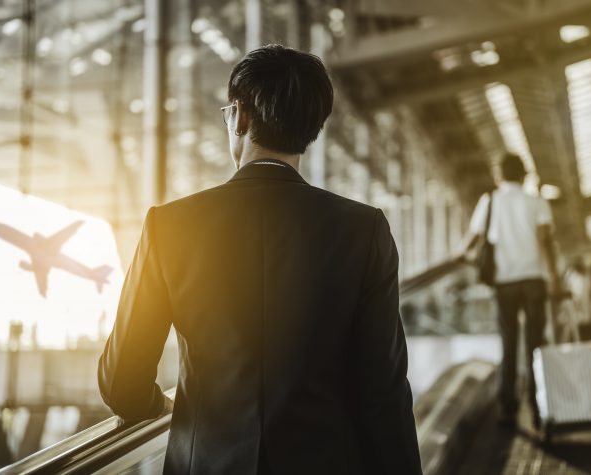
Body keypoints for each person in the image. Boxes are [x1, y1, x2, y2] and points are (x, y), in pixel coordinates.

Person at [97, 45, 421, 475]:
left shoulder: (169, 225)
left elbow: (122, 382)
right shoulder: (363, 229)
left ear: (240, 117)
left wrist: (158, 404)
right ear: (312, 128)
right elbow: (383, 389)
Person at [460, 153, 560, 429]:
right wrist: (553, 276)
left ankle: (508, 407)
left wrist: (463, 255)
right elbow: (544, 241)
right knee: (536, 342)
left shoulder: (490, 201)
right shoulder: (536, 202)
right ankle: (540, 406)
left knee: (509, 341)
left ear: (499, 175)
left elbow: (472, 240)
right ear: (525, 175)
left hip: (504, 281)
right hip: (534, 279)